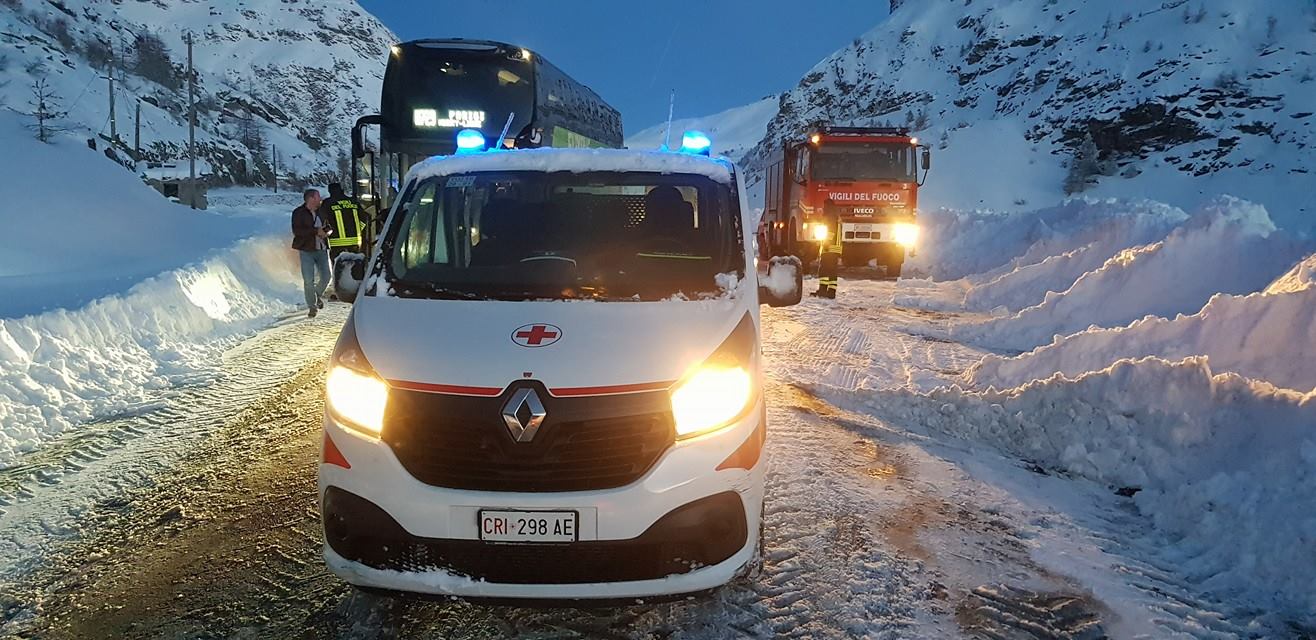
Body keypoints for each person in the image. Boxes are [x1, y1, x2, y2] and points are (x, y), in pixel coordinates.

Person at [292, 188, 332, 318]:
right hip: (306, 250)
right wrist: (316, 231)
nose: (320, 199)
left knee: (327, 276)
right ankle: (312, 307)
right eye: (318, 197)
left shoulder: (322, 212)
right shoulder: (298, 213)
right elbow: (297, 231)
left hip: (322, 248)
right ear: (311, 199)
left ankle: (316, 295)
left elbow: (329, 226)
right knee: (309, 280)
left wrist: (327, 232)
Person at [323, 182, 368, 261]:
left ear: (330, 191)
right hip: (355, 242)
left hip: (336, 243)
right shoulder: (353, 201)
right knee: (354, 267)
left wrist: (327, 233)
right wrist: (357, 230)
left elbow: (322, 221)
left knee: (338, 268)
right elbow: (364, 218)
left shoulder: (327, 203)